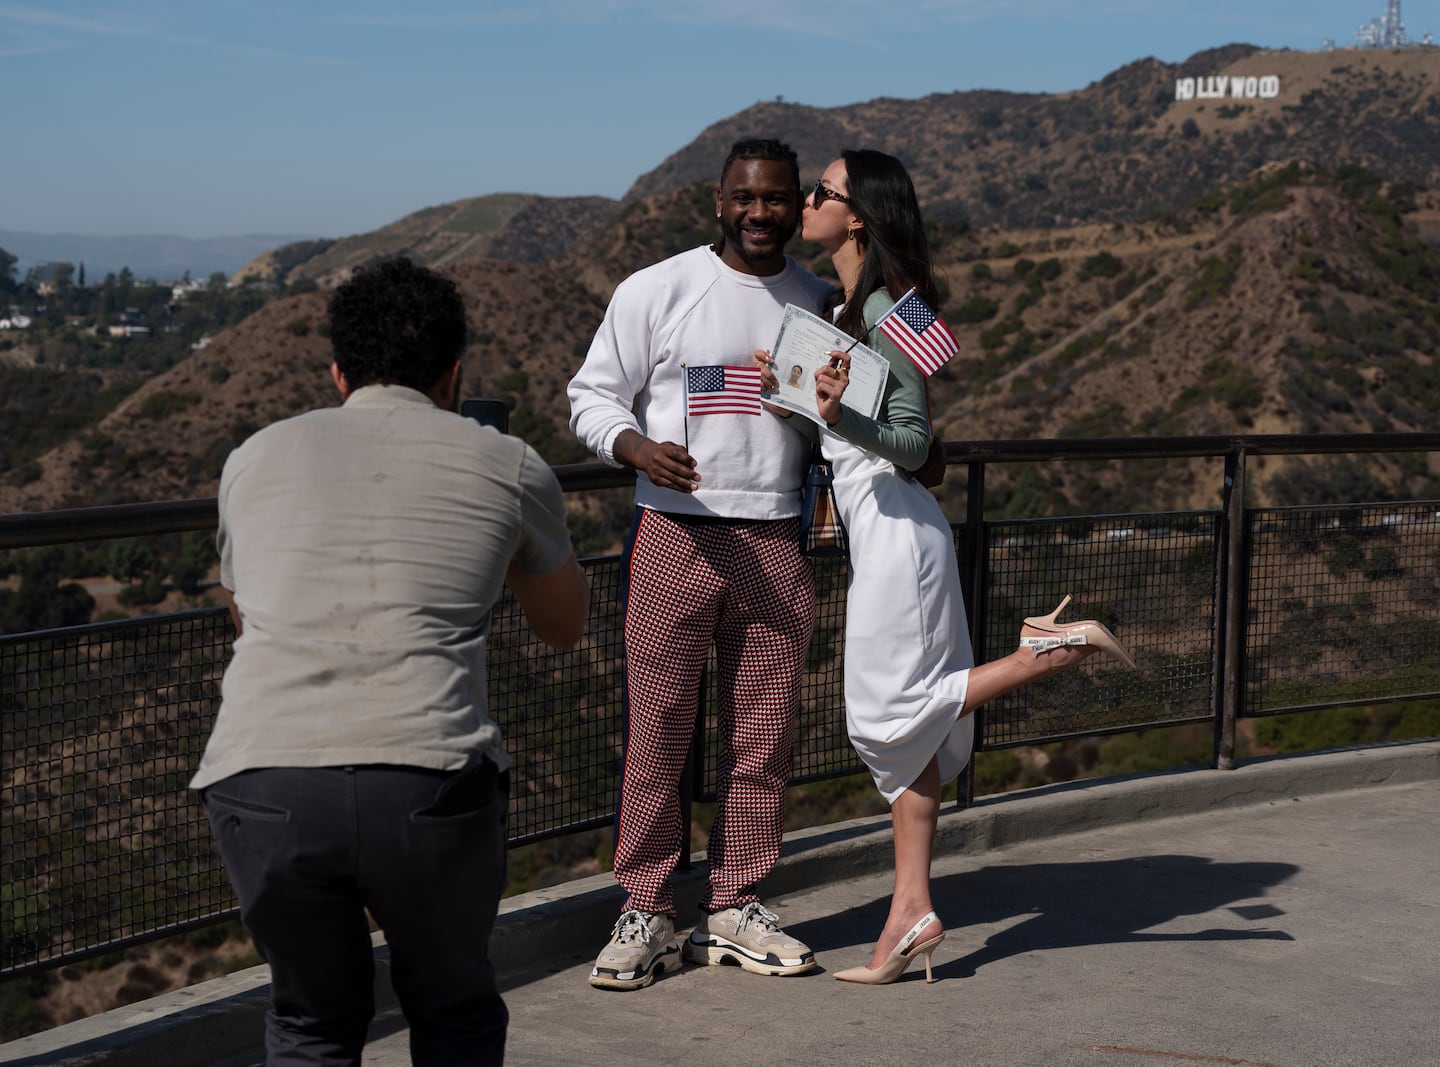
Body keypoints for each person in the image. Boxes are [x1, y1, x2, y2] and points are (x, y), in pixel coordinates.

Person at [190, 257, 590, 1064]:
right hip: (427, 780)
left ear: (337, 372)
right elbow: (563, 626)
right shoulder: (507, 464)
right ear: (453, 373)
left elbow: (245, 609)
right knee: (453, 1014)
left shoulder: (252, 457)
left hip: (261, 779)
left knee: (310, 1022)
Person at [759, 149, 1136, 985]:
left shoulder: (891, 307)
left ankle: (1052, 647)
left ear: (856, 216)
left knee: (883, 716)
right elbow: (852, 428)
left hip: (899, 534)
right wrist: (788, 394)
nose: (808, 200)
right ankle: (910, 913)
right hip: (882, 529)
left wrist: (837, 417)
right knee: (910, 737)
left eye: (822, 191)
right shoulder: (847, 307)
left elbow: (914, 442)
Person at [567, 138, 836, 990]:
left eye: (777, 199)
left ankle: (736, 906)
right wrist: (636, 447)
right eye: (745, 198)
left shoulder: (819, 302)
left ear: (798, 206)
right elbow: (590, 394)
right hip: (673, 535)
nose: (761, 213)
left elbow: (839, 417)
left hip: (774, 538)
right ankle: (644, 909)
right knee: (658, 732)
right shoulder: (658, 288)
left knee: (761, 738)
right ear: (718, 202)